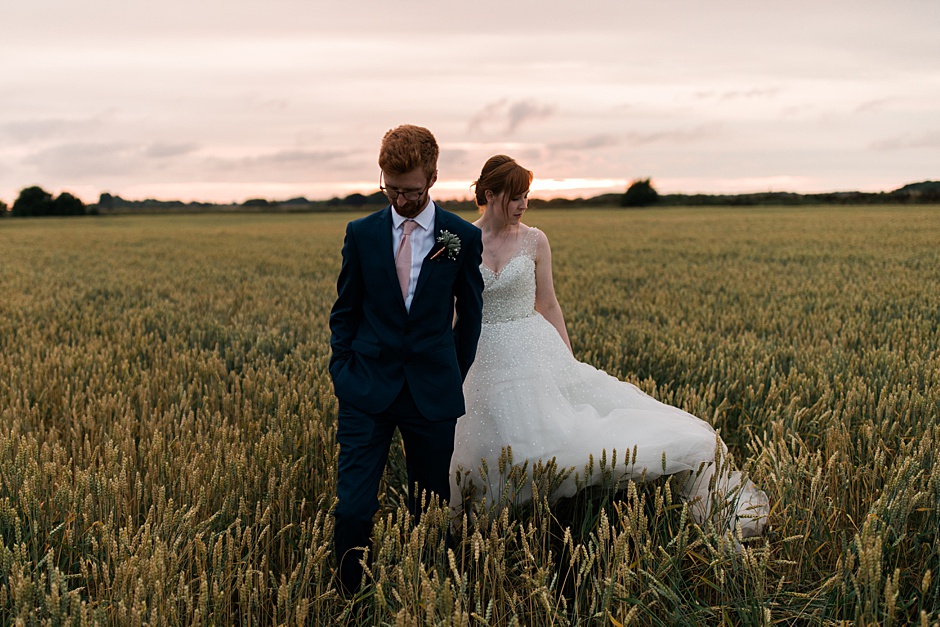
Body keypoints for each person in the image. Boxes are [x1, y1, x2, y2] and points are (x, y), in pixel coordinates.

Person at [449, 155, 769, 539]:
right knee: (488, 444)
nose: (523, 205)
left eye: (527, 196)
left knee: (560, 439)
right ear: (489, 195)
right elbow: (454, 308)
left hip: (533, 348)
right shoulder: (462, 240)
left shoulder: (535, 240)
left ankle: (554, 521)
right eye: (515, 198)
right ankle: (493, 531)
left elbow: (547, 303)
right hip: (483, 353)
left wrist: (567, 361)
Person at [329, 125, 485, 594]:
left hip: (431, 394)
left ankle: (425, 595)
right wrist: (342, 371)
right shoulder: (361, 234)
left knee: (430, 506)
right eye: (390, 189)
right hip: (365, 388)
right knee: (353, 507)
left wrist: (450, 375)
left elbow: (471, 320)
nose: (399, 200)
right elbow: (345, 311)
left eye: (411, 191)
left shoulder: (459, 237)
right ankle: (349, 598)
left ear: (432, 178)